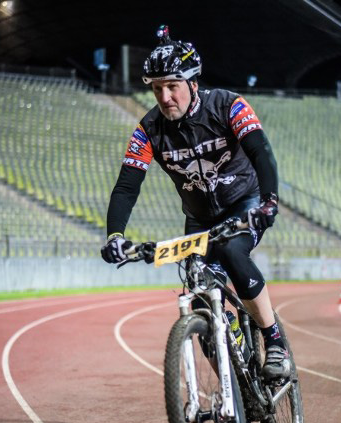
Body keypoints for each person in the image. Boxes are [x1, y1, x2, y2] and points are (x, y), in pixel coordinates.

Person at [100, 25, 289, 380]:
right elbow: (126, 187)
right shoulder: (148, 130)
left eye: (173, 86)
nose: (165, 97)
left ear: (193, 83)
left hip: (243, 203)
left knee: (233, 252)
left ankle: (273, 339)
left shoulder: (228, 105)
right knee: (200, 293)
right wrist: (115, 236)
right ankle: (236, 389)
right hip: (200, 219)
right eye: (157, 89)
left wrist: (269, 202)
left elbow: (261, 151)